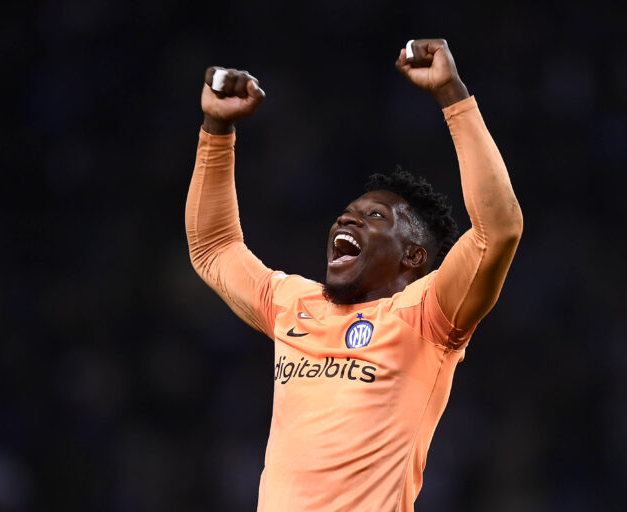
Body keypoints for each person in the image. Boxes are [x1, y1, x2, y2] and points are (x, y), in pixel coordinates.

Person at [186, 38, 522, 512]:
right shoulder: (294, 304)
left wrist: (453, 96)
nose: (348, 219)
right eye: (348, 213)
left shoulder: (426, 318)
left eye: (375, 217)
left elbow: (499, 229)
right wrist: (216, 130)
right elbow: (214, 247)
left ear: (413, 257)